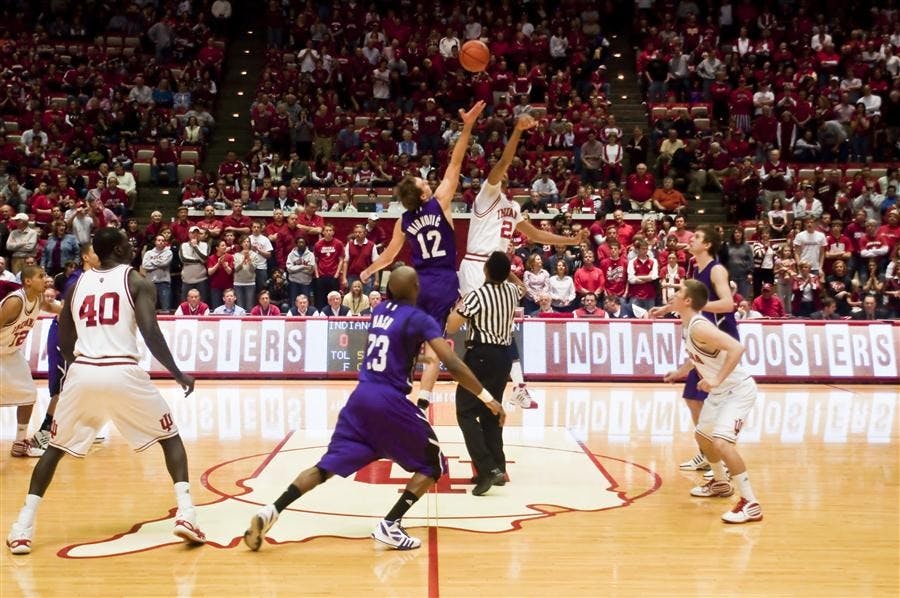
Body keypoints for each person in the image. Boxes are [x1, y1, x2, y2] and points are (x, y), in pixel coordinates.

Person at [243, 267, 504, 551]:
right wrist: (488, 398)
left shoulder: (378, 311)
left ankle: (272, 509)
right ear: (416, 288)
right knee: (433, 464)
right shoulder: (419, 319)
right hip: (388, 402)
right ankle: (390, 525)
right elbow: (451, 363)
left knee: (323, 468)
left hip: (360, 399)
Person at [7, 228, 205, 555]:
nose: (132, 244)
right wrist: (177, 372)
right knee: (171, 437)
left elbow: (65, 338)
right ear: (115, 248)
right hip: (123, 370)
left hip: (83, 372)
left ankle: (22, 527)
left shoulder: (76, 285)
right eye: (127, 242)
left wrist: (80, 366)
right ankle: (186, 514)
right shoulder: (136, 281)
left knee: (55, 449)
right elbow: (151, 332)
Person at [360, 101, 485, 415]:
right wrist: (467, 125)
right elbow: (456, 162)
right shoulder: (440, 202)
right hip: (443, 281)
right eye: (423, 182)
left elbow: (389, 256)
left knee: (409, 341)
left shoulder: (403, 221)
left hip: (416, 284)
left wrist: (368, 271)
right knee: (435, 344)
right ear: (424, 195)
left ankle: (396, 392)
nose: (427, 181)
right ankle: (424, 400)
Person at [456, 113, 587, 409]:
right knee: (483, 325)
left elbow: (538, 234)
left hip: (496, 270)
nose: (501, 172)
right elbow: (503, 161)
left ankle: (517, 386)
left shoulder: (513, 208)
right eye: (499, 171)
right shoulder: (486, 196)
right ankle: (484, 381)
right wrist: (516, 131)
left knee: (502, 327)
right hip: (477, 264)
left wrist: (570, 241)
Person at [663, 280, 763, 524]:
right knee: (702, 436)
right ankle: (721, 483)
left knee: (721, 443)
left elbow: (737, 348)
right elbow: (696, 357)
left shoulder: (699, 326)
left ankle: (751, 503)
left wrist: (716, 379)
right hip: (720, 393)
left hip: (738, 390)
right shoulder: (687, 326)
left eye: (678, 293)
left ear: (687, 301)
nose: (673, 295)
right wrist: (680, 372)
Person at [650, 226, 739, 474]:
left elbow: (728, 304)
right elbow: (686, 300)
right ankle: (707, 453)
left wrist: (698, 308)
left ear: (708, 244)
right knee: (692, 397)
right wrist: (667, 309)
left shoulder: (717, 270)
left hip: (721, 340)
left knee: (714, 403)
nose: (691, 239)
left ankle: (721, 459)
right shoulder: (695, 270)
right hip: (703, 341)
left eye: (697, 237)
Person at [446, 252, 522, 496]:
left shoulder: (477, 295)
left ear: (486, 271)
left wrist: (459, 304)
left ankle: (487, 468)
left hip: (480, 355)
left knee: (465, 412)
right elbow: (521, 286)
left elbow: (451, 326)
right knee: (492, 411)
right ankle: (498, 467)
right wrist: (507, 271)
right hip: (503, 357)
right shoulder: (511, 292)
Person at [1, 266, 61, 457]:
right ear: (28, 281)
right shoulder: (15, 302)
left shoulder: (39, 299)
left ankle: (19, 442)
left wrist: (76, 312)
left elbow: (55, 308)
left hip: (11, 353)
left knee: (28, 394)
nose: (46, 279)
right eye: (41, 276)